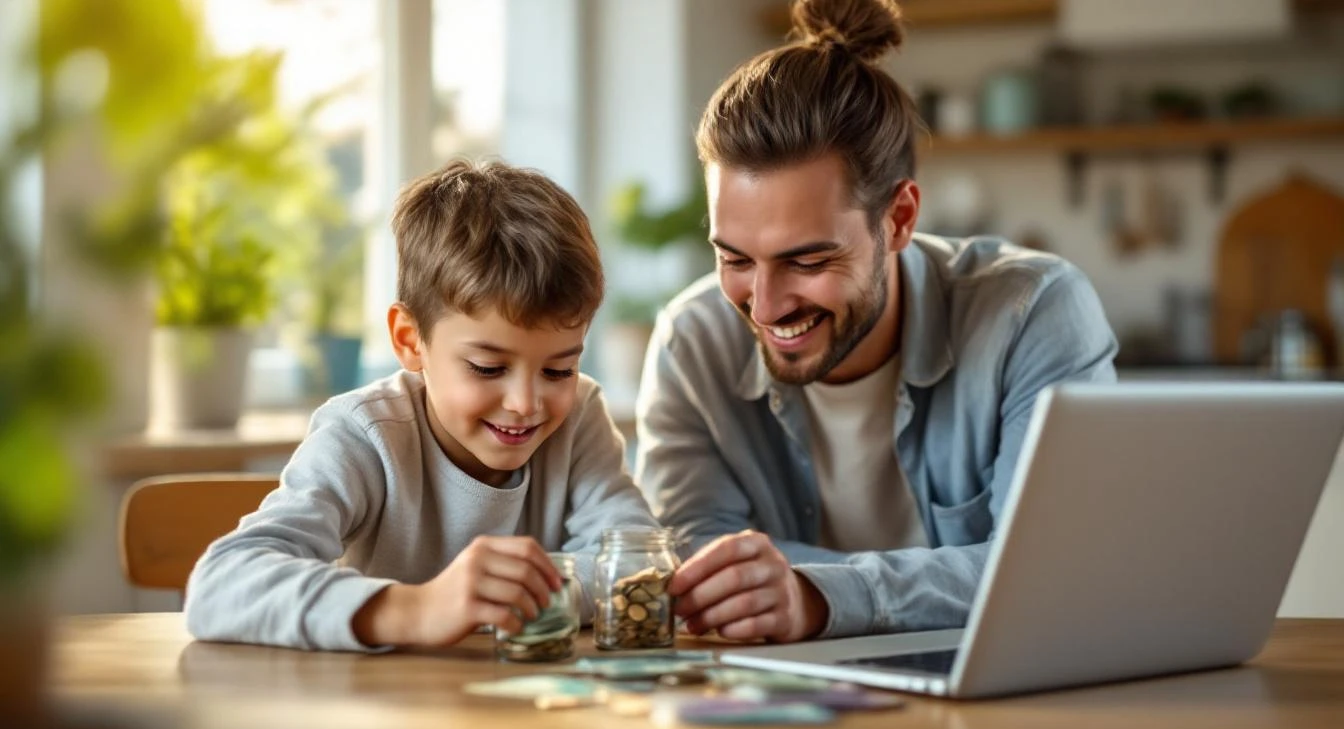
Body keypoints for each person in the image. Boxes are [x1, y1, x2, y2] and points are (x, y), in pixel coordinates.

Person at [638, 0, 1118, 644]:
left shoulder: (1032, 314)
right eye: (735, 259)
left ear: (898, 219)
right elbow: (695, 568)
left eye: (807, 259)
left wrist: (819, 595)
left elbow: (1054, 574)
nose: (768, 303)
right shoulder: (691, 345)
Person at [186, 159, 659, 651]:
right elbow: (221, 584)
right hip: (393, 713)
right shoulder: (364, 433)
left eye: (559, 370)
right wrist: (416, 609)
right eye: (488, 368)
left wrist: (528, 589)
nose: (525, 403)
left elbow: (640, 560)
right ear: (410, 340)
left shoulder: (579, 417)